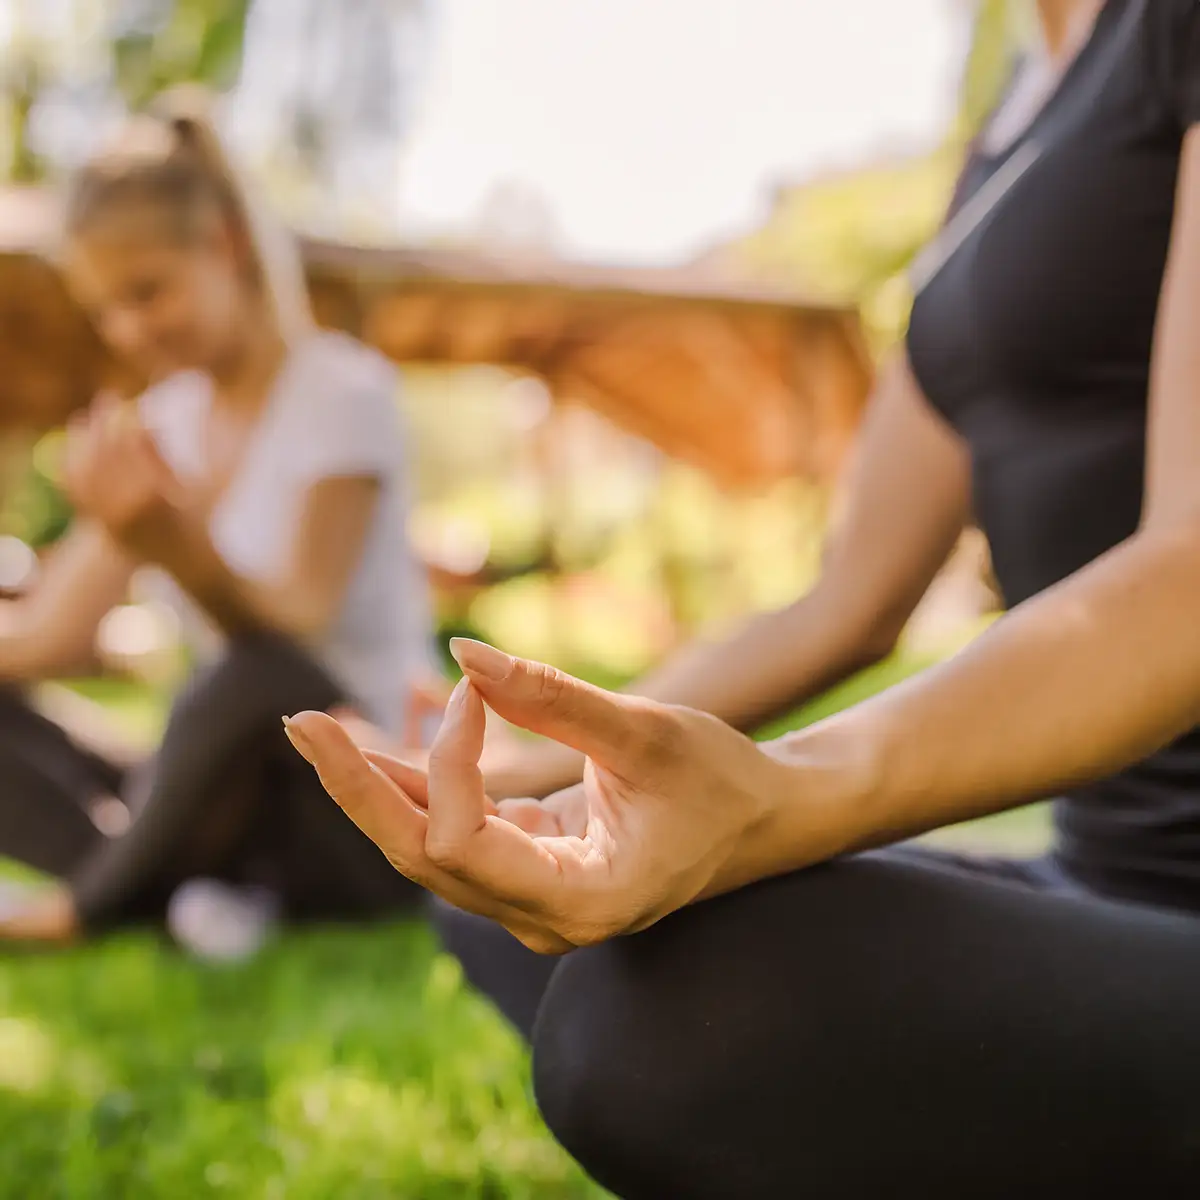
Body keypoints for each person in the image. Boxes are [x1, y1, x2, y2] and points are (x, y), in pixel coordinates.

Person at [285, 0, 1200, 1194]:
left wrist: (786, 795)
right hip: (1100, 877)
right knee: (529, 903)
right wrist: (545, 765)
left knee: (670, 1024)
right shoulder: (1010, 129)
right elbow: (845, 602)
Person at [0, 88, 431, 954]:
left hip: (366, 793)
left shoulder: (343, 393)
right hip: (225, 793)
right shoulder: (163, 424)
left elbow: (298, 633)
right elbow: (46, 633)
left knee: (252, 683)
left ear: (225, 245)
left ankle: (84, 911)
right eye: (104, 310)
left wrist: (179, 548)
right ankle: (183, 891)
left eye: (148, 292)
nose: (128, 330)